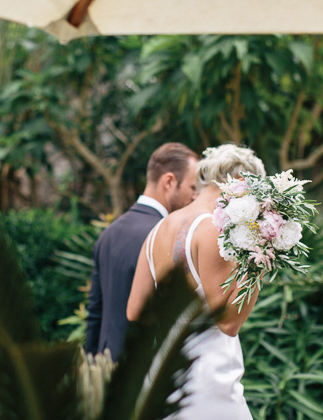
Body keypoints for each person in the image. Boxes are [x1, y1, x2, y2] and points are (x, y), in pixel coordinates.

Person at [126, 144, 266, 420]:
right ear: (240, 183)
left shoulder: (158, 230)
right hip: (206, 382)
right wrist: (261, 253)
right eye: (255, 193)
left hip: (163, 379)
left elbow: (134, 312)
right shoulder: (212, 228)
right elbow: (228, 322)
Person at [85, 142, 199, 361]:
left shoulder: (108, 235)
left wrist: (91, 375)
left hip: (106, 369)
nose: (194, 197)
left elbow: (95, 314)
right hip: (140, 373)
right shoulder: (164, 237)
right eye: (192, 188)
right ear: (169, 181)